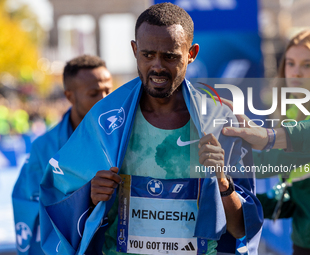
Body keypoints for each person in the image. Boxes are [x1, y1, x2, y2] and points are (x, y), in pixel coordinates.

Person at [39, 3, 263, 255]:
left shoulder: (223, 120)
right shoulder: (105, 120)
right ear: (134, 50)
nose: (157, 66)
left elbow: (242, 230)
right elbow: (56, 195)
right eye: (147, 55)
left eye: (170, 56)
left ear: (191, 53)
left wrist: (222, 182)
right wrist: (89, 197)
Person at [225, 30, 310, 254]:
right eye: (291, 63)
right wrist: (232, 200)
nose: (296, 72)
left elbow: (273, 161)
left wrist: (219, 167)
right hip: (307, 239)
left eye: (308, 64)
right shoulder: (297, 109)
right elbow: (297, 194)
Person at [11, 55, 113, 255]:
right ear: (69, 96)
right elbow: (29, 208)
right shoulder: (44, 147)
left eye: (108, 90)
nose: (104, 99)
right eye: (94, 93)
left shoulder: (126, 136)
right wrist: (84, 198)